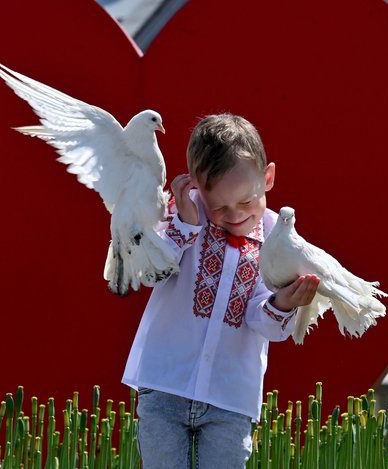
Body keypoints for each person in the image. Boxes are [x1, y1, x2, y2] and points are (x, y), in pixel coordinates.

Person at [122, 113, 320, 468]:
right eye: (220, 207)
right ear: (197, 187)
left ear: (268, 178)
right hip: (165, 384)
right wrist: (184, 225)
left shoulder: (278, 238)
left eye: (246, 201)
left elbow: (264, 322)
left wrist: (283, 303)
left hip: (230, 399)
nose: (235, 215)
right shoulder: (181, 213)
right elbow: (148, 273)